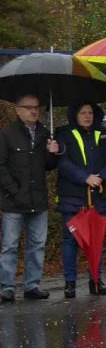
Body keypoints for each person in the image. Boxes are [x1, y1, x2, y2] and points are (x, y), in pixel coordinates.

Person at [55, 101, 106, 298]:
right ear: (75, 114)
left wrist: (101, 176)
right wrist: (84, 178)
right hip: (72, 196)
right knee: (70, 241)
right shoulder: (63, 133)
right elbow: (62, 162)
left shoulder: (104, 133)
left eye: (90, 112)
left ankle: (96, 280)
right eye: (82, 112)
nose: (87, 116)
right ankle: (70, 283)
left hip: (99, 196)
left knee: (96, 241)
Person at [0, 94, 60, 301]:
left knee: (37, 244)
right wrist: (14, 191)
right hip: (14, 201)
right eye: (28, 107)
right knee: (10, 245)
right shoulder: (7, 134)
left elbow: (49, 166)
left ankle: (32, 285)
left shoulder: (44, 133)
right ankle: (6, 287)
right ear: (17, 109)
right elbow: (1, 166)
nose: (33, 111)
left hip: (38, 200)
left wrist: (54, 152)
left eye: (36, 107)